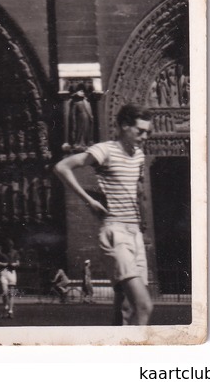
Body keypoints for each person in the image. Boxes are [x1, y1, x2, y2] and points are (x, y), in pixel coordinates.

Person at [54, 104, 153, 325]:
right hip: (115, 232)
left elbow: (136, 193)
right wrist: (88, 201)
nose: (145, 136)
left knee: (127, 308)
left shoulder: (139, 156)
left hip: (134, 232)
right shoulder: (104, 150)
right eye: (140, 131)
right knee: (144, 305)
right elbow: (62, 167)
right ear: (124, 126)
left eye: (148, 132)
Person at [0, 247, 19, 317]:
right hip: (3, 272)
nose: (9, 245)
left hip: (12, 272)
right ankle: (6, 305)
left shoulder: (15, 252)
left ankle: (10, 311)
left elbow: (18, 263)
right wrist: (2, 264)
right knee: (5, 292)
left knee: (11, 293)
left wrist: (15, 264)